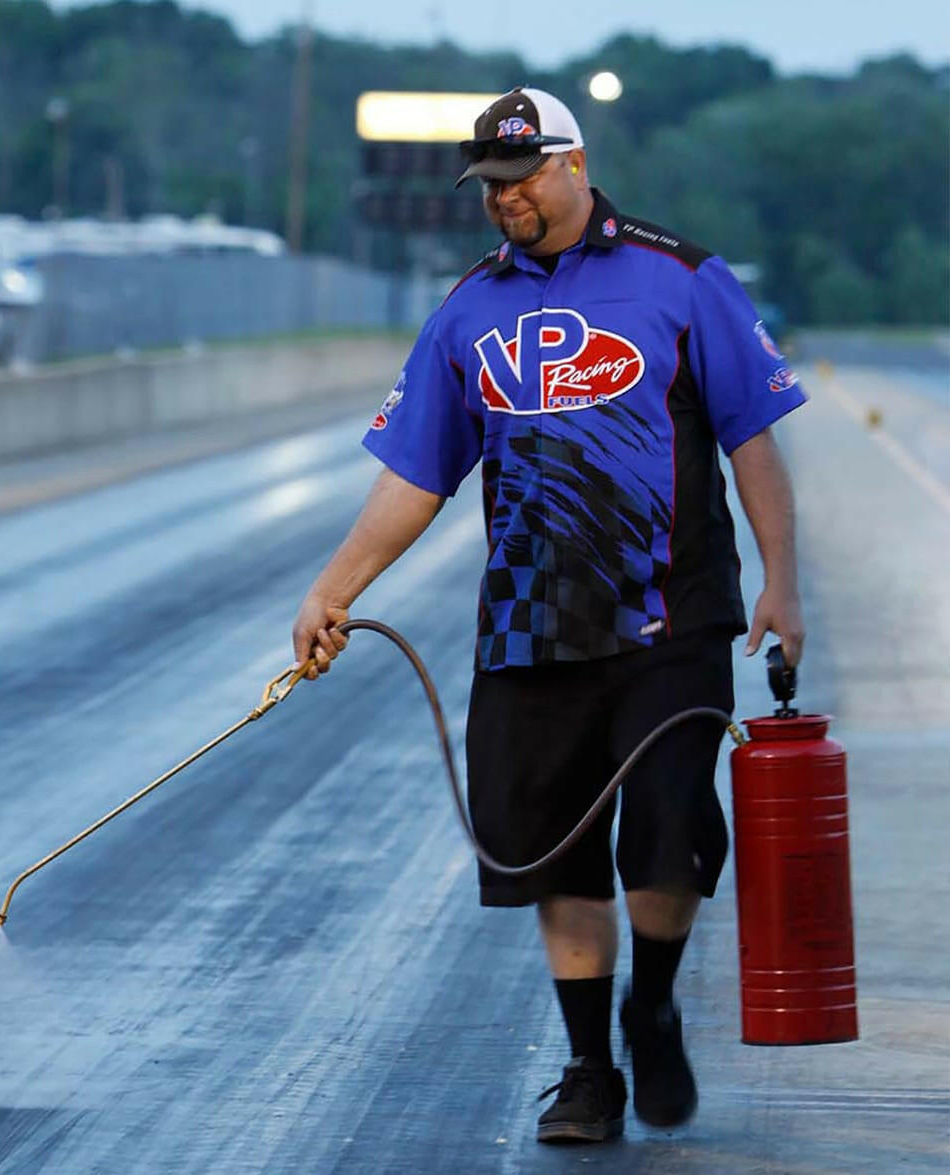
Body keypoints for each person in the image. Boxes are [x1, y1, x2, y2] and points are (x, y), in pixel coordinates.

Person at [291, 86, 806, 1144]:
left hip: (672, 614)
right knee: (554, 856)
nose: (503, 200)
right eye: (488, 184)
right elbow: (415, 475)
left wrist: (780, 580)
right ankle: (587, 1070)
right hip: (531, 624)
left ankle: (651, 1006)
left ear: (574, 165)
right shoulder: (468, 309)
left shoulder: (681, 276)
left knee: (667, 834)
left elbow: (753, 436)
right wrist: (333, 588)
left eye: (520, 179)